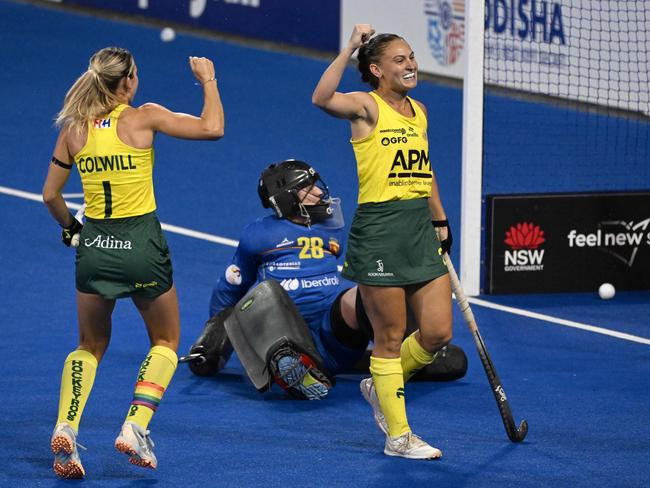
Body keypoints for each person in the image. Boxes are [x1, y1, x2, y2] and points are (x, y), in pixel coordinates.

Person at [42, 46, 224, 478]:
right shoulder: (144, 116)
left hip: (95, 248)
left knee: (89, 346)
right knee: (165, 340)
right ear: (127, 83)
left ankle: (66, 427)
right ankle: (135, 426)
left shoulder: (73, 128)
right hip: (141, 245)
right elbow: (213, 128)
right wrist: (208, 80)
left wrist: (72, 228)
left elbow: (51, 196)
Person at [183, 160, 466, 401]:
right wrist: (214, 334)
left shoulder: (332, 225)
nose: (320, 192)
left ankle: (398, 355)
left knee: (369, 291)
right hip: (285, 334)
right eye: (309, 188)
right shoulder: (258, 234)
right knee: (265, 292)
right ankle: (295, 369)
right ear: (285, 198)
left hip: (335, 333)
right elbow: (231, 287)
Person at [312, 25, 454, 459]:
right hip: (379, 232)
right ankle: (398, 436)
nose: (410, 64)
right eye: (399, 59)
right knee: (389, 336)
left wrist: (441, 221)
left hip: (418, 230)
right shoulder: (366, 109)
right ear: (376, 70)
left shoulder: (421, 111)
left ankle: (381, 385)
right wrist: (350, 46)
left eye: (411, 57)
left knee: (437, 332)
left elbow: (424, 170)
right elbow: (321, 98)